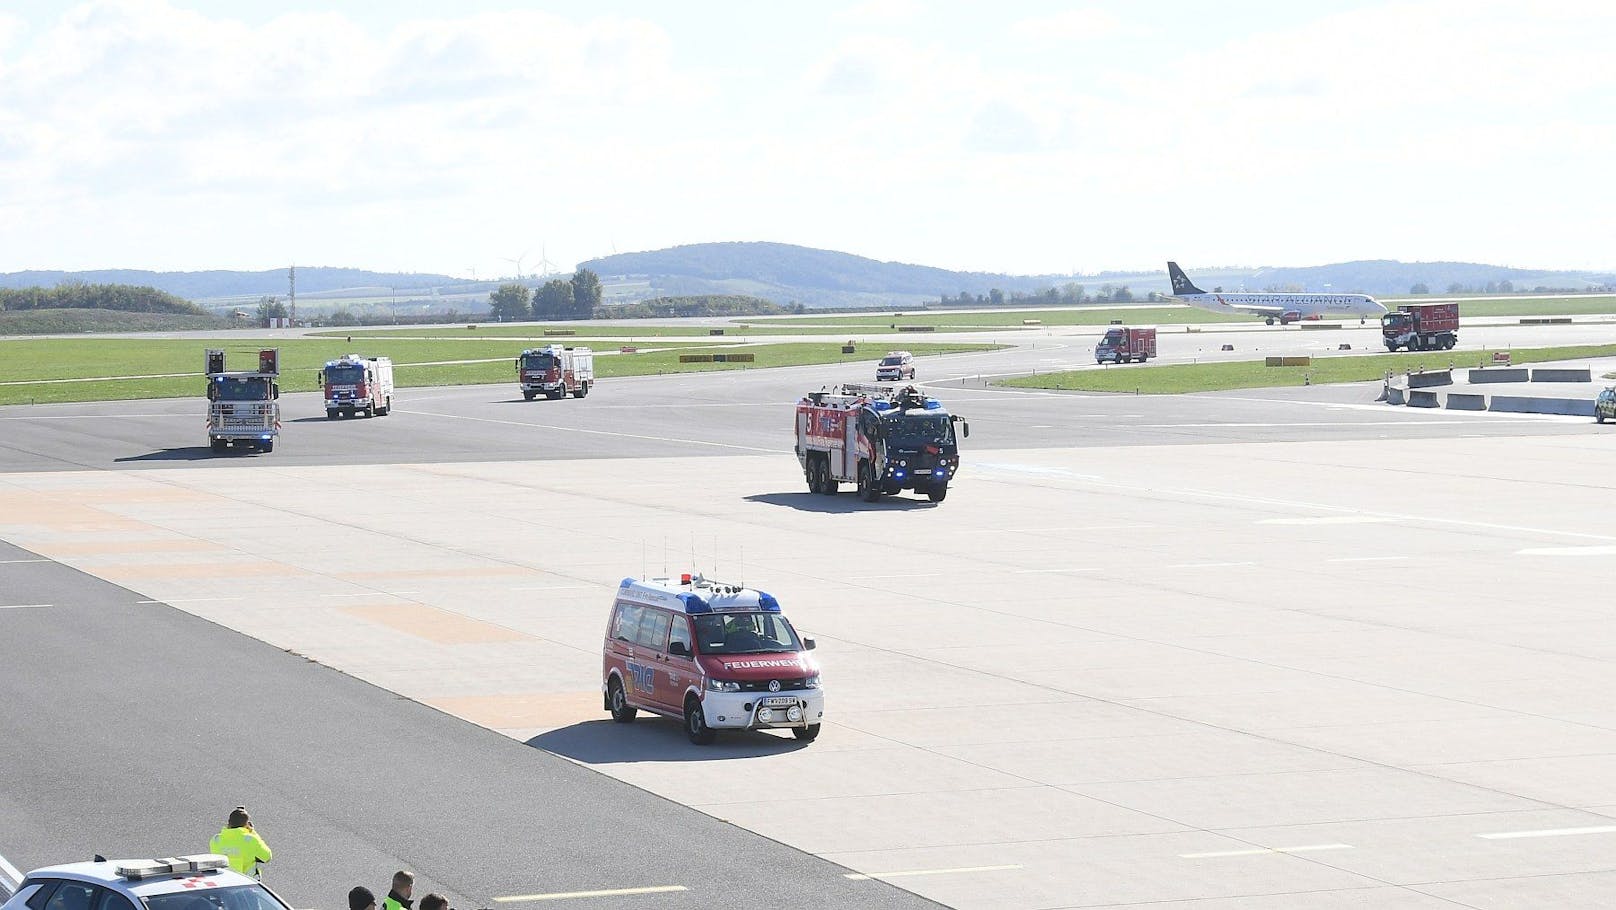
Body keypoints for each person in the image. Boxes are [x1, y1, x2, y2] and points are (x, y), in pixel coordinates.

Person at [209, 806, 272, 878]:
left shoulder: (216, 840)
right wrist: (252, 832)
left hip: (224, 883)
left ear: (228, 823)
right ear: (246, 825)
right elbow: (267, 857)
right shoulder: (251, 840)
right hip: (247, 883)